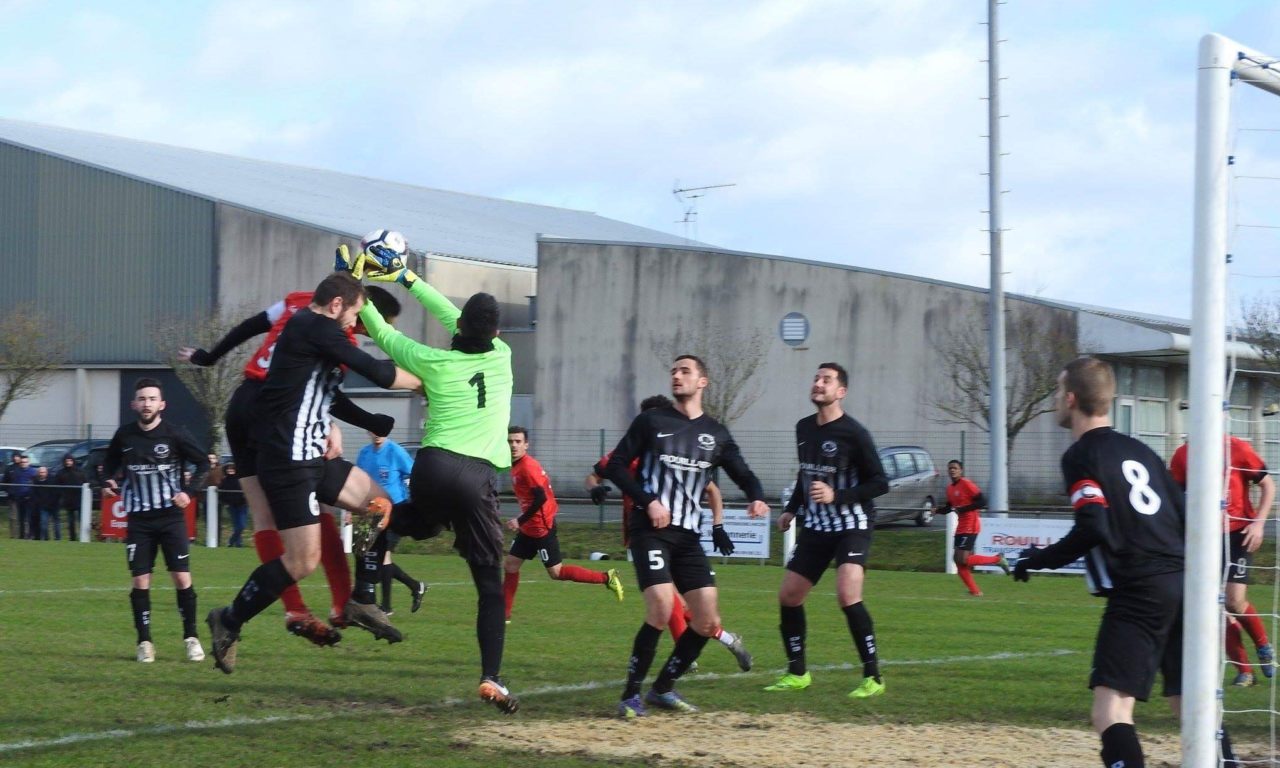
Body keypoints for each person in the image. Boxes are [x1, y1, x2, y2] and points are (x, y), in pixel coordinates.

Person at [1011, 357, 1239, 768]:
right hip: (1186, 583)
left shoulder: (1081, 455)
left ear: (1071, 398)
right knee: (1190, 703)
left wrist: (1037, 559)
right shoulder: (1142, 451)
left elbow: (1093, 525)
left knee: (1111, 710)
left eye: (1058, 392)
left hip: (1141, 587)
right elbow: (1186, 517)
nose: (1056, 401)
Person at [204, 272, 421, 674]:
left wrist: (365, 419)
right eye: (355, 314)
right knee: (302, 560)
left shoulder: (318, 330)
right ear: (337, 306)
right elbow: (378, 372)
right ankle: (228, 619)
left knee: (380, 503)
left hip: (310, 457)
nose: (356, 324)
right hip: (288, 461)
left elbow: (327, 392)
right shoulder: (314, 326)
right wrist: (427, 384)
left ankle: (360, 598)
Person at [345, 254, 521, 714]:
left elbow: (385, 335)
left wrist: (358, 286)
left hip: (433, 466)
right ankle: (491, 677)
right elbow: (457, 318)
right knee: (489, 585)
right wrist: (407, 277)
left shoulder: (436, 362)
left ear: (461, 327)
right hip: (475, 476)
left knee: (419, 523)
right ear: (496, 332)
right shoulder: (503, 356)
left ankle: (371, 562)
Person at [605, 355, 769, 717]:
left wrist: (756, 496)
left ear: (702, 382)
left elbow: (743, 473)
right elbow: (615, 466)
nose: (677, 376)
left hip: (688, 536)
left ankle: (663, 688)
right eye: (673, 371)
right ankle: (630, 696)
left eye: (685, 371)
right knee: (662, 607)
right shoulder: (652, 421)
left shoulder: (716, 433)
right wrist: (648, 501)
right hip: (651, 530)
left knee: (707, 621)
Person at [586, 394, 754, 672]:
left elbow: (712, 491)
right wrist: (594, 488)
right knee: (672, 602)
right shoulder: (630, 452)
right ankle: (722, 641)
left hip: (677, 536)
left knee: (672, 601)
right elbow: (595, 474)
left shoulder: (677, 454)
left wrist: (718, 525)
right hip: (643, 532)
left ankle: (689, 656)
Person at [764, 363, 889, 699]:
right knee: (789, 596)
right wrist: (792, 509)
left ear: (841, 392)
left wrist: (838, 496)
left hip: (852, 524)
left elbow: (880, 483)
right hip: (817, 526)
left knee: (847, 594)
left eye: (826, 380)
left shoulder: (855, 433)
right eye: (816, 378)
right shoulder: (803, 428)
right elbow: (806, 475)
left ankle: (873, 677)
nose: (818, 384)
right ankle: (797, 673)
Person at [103, 377, 211, 663]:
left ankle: (191, 637)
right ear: (133, 404)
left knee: (181, 577)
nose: (147, 403)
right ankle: (144, 642)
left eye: (152, 399)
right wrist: (107, 480)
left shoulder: (175, 434)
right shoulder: (124, 436)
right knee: (140, 580)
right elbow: (108, 463)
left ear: (162, 404)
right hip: (139, 520)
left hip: (170, 517)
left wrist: (189, 492)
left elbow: (203, 462)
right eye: (142, 399)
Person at [1169, 435, 1276, 686]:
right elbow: (1174, 497)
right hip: (1203, 538)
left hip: (1238, 534)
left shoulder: (1237, 448)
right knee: (1213, 608)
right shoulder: (1183, 454)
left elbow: (1268, 485)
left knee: (1234, 601)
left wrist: (1259, 524)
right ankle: (1244, 671)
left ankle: (1262, 644)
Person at [503, 425, 624, 622]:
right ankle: (503, 615)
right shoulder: (516, 465)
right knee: (510, 565)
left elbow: (540, 498)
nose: (514, 445)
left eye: (518, 441)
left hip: (541, 528)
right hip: (529, 528)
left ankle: (607, 577)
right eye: (510, 441)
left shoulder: (527, 467)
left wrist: (520, 520)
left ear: (526, 444)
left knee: (556, 572)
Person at [354, 431, 427, 615]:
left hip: (396, 512)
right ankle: (415, 586)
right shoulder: (364, 454)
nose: (377, 434)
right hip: (373, 513)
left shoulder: (395, 451)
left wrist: (416, 500)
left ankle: (386, 607)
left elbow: (416, 473)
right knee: (373, 557)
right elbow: (358, 483)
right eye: (373, 429)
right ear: (368, 431)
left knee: (383, 556)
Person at [934, 459, 1010, 596]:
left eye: (955, 468)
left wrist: (964, 509)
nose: (952, 470)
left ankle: (997, 559)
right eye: (950, 468)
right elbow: (949, 508)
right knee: (958, 561)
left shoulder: (966, 484)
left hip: (971, 524)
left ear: (961, 470)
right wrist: (937, 511)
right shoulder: (950, 489)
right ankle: (975, 591)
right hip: (961, 526)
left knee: (963, 559)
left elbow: (982, 501)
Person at [54, 454, 86, 541]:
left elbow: (85, 482)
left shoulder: (79, 472)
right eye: (67, 461)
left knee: (81, 520)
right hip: (68, 501)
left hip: (79, 500)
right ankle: (72, 538)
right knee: (71, 521)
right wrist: (62, 496)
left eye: (70, 460)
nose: (68, 462)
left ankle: (83, 538)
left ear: (73, 461)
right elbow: (57, 486)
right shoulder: (61, 473)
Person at [8, 453, 37, 539]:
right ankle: (21, 535)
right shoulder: (17, 472)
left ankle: (29, 535)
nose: (24, 463)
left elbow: (35, 486)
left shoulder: (33, 472)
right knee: (21, 518)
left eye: (25, 462)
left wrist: (31, 495)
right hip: (19, 498)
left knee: (28, 518)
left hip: (29, 499)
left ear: (28, 462)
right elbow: (14, 485)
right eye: (22, 462)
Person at [219, 463, 247, 548]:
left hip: (242, 505)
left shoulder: (241, 480)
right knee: (236, 525)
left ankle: (231, 541)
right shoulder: (224, 481)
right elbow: (221, 494)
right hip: (231, 506)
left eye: (232, 469)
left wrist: (245, 500)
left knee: (241, 525)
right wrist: (226, 503)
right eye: (228, 469)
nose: (230, 470)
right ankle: (238, 544)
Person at [33, 465, 61, 540]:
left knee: (56, 524)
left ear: (47, 472)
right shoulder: (36, 482)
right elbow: (35, 494)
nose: (42, 474)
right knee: (44, 525)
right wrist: (40, 503)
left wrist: (54, 502)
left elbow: (57, 493)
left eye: (43, 472)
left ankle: (58, 540)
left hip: (54, 506)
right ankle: (46, 540)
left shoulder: (53, 480)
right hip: (43, 507)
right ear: (38, 473)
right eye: (41, 472)